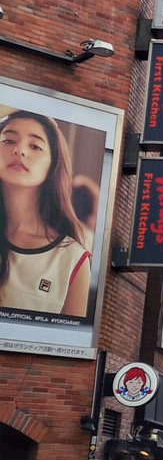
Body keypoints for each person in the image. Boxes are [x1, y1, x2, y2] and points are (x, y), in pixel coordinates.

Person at [0, 110, 92, 316]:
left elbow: (67, 344)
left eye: (35, 146)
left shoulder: (71, 260)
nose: (20, 150)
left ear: (53, 165)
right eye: (8, 140)